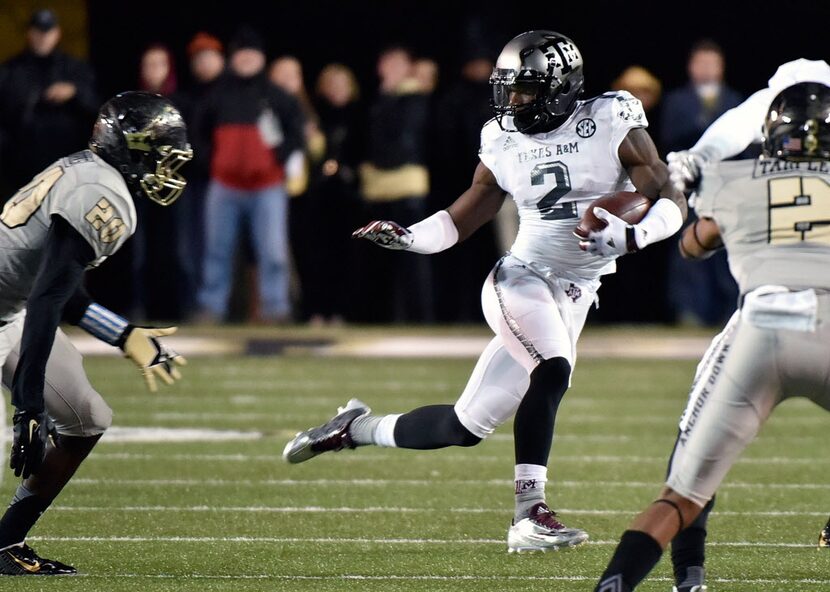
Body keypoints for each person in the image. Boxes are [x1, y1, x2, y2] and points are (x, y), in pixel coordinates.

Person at [284, 31, 687, 552]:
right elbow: (464, 215)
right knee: (553, 370)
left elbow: (669, 194)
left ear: (561, 87)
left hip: (576, 292)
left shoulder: (610, 119)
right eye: (509, 89)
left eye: (526, 89)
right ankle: (529, 514)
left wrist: (634, 234)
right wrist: (410, 239)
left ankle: (352, 428)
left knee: (464, 425)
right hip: (522, 278)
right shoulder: (501, 138)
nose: (513, 101)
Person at [595, 81, 830, 592]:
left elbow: (692, 247)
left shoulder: (736, 177)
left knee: (680, 495)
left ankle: (632, 584)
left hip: (759, 331)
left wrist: (695, 184)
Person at [0, 91, 190, 574]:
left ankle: (4, 542)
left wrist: (123, 334)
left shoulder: (89, 171)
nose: (167, 166)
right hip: (17, 309)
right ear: (131, 148)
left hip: (12, 309)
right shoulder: (102, 193)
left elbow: (56, 289)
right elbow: (48, 296)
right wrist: (29, 406)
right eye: (160, 153)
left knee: (86, 417)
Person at [194, 27, 305, 323]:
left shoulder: (277, 96)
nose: (246, 58)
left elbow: (297, 131)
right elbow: (197, 132)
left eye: (252, 53)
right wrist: (212, 161)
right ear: (233, 58)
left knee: (273, 252)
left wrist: (279, 158)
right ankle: (211, 308)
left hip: (267, 186)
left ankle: (276, 309)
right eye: (241, 53)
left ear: (261, 58)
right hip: (224, 186)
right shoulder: (217, 94)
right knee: (217, 251)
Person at [660, 40, 744, 327]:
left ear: (722, 67)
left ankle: (730, 312)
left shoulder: (736, 101)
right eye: (701, 62)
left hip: (727, 188)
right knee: (688, 249)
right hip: (690, 187)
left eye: (712, 63)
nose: (707, 68)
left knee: (725, 249)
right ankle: (689, 312)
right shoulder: (675, 101)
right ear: (691, 67)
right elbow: (668, 141)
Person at [357, 45, 433, 322]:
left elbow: (400, 144)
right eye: (387, 63)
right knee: (379, 260)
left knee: (412, 258)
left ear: (408, 68)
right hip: (379, 190)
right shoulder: (381, 98)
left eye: (397, 64)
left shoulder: (413, 97)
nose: (391, 68)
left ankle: (420, 319)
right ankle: (379, 317)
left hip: (406, 187)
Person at [0, 9, 98, 191]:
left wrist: (75, 92)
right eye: (38, 31)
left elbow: (96, 109)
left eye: (48, 31)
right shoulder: (11, 70)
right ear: (30, 33)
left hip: (67, 165)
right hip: (22, 168)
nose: (43, 37)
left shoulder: (74, 68)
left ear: (57, 33)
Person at [305, 64, 364, 324]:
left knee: (347, 255)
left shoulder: (361, 116)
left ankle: (342, 312)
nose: (337, 90)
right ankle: (317, 311)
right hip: (319, 196)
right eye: (332, 84)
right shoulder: (315, 117)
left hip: (350, 197)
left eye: (342, 84)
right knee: (317, 255)